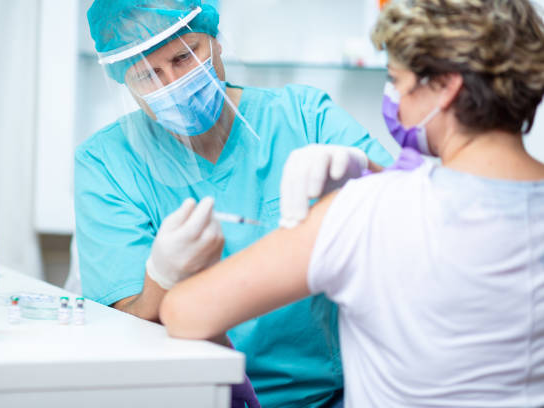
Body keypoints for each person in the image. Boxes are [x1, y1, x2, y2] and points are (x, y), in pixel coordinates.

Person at [160, 0, 544, 407]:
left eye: (397, 80)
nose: (395, 100)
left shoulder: (363, 213)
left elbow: (186, 312)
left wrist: (165, 270)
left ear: (446, 87)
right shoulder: (375, 204)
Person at [74, 1, 393, 406]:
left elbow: (411, 213)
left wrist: (364, 170)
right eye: (147, 75)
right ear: (124, 81)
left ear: (216, 41)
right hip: (195, 397)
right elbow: (124, 333)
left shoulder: (303, 116)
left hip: (329, 396)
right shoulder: (107, 163)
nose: (173, 82)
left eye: (184, 56)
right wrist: (160, 278)